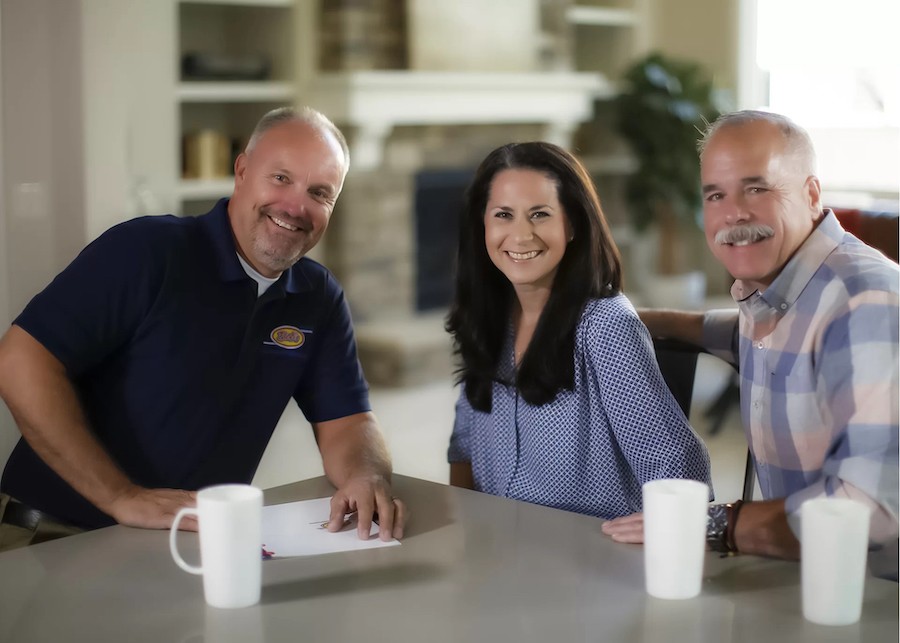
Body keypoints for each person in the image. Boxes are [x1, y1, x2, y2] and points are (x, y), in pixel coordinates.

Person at [0, 106, 406, 551]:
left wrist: (366, 474)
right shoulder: (147, 252)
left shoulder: (317, 298)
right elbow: (19, 360)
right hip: (49, 536)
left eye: (320, 192)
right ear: (242, 170)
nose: (295, 206)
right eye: (281, 178)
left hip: (180, 550)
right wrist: (121, 496)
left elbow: (348, 421)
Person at [602, 110, 899, 578]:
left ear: (812, 194)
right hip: (805, 580)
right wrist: (620, 315)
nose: (733, 213)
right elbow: (739, 335)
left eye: (756, 188)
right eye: (716, 195)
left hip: (874, 597)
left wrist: (716, 523)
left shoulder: (867, 303)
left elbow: (873, 511)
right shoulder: (779, 298)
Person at [445, 141, 712, 519]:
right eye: (504, 214)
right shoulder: (486, 319)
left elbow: (677, 467)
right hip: (498, 551)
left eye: (539, 214)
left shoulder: (606, 327)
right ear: (482, 225)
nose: (521, 235)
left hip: (593, 559)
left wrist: (665, 530)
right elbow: (464, 449)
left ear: (571, 224)